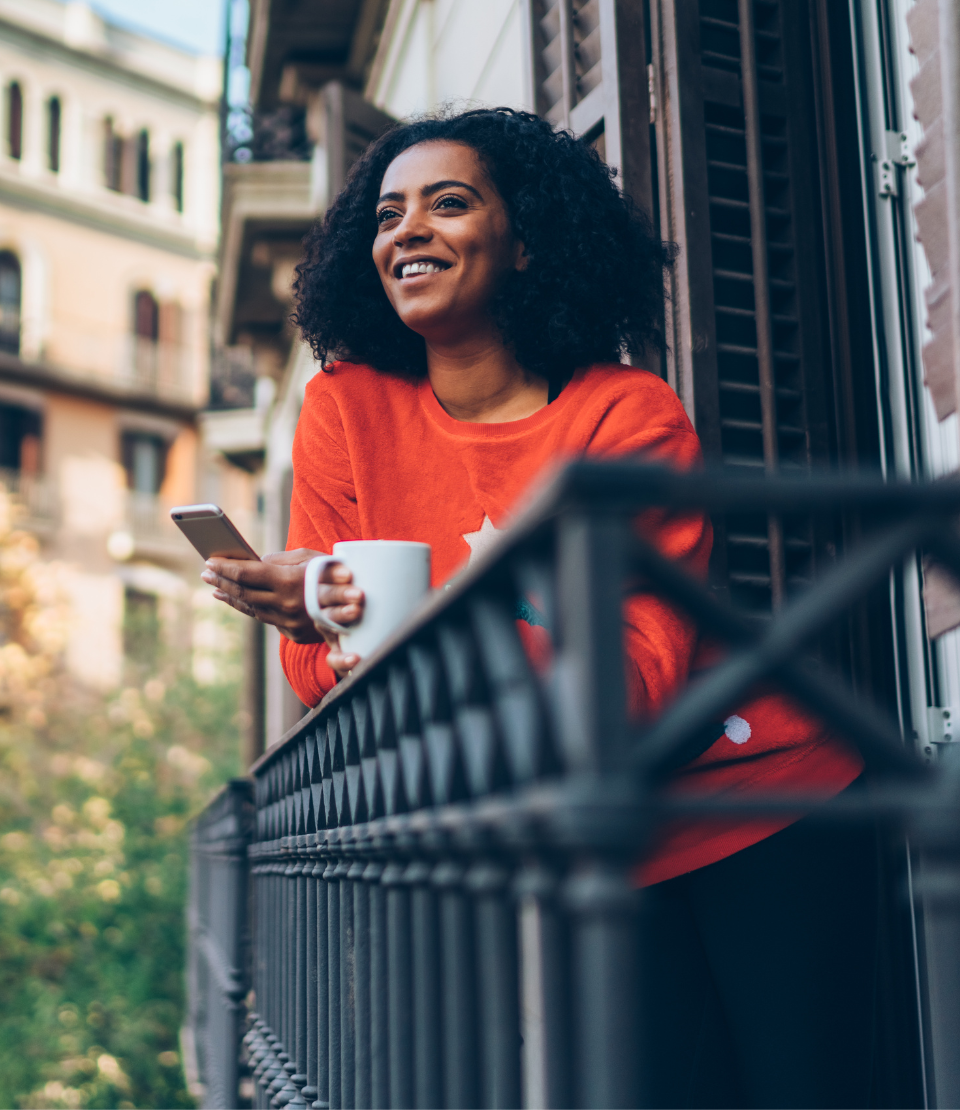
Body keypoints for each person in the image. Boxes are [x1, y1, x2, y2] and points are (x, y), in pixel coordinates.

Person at [202, 108, 876, 1108]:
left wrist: (389, 614)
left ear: (526, 245)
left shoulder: (627, 415)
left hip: (763, 804)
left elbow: (630, 690)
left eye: (450, 203)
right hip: (586, 842)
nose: (407, 231)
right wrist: (321, 614)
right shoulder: (347, 409)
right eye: (388, 214)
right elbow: (322, 682)